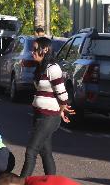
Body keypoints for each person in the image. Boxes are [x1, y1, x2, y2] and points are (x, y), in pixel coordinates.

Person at [20, 37, 74, 177]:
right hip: (39, 114)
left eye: (35, 49)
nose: (32, 52)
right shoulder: (41, 67)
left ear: (45, 50)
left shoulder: (53, 68)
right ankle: (51, 182)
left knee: (31, 151)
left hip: (48, 117)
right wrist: (60, 109)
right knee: (45, 152)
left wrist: (61, 110)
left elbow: (62, 94)